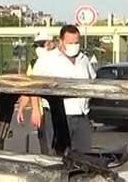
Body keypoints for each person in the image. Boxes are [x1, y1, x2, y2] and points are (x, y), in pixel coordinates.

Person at [30, 24, 96, 154]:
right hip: (58, 116)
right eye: (70, 42)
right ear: (61, 42)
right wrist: (36, 110)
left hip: (81, 116)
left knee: (83, 157)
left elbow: (92, 83)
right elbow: (34, 85)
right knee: (57, 156)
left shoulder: (84, 60)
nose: (74, 46)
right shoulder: (48, 59)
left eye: (76, 42)